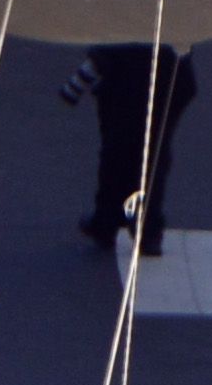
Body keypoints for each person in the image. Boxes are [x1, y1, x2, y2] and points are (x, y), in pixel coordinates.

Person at [78, 42, 198, 259]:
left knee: (117, 149)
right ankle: (146, 228)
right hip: (171, 73)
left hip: (128, 71)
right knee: (154, 151)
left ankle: (108, 220)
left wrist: (92, 67)